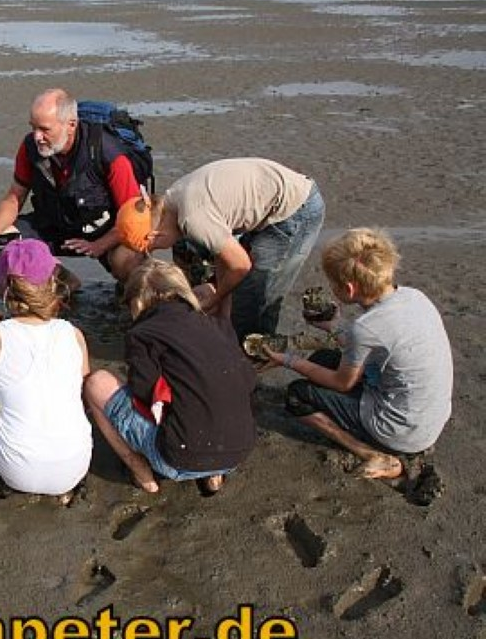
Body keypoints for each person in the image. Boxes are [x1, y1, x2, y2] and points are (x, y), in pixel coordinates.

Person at [263, 228, 453, 479]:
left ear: (349, 289)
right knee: (323, 360)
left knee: (297, 395)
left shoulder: (365, 327)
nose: (332, 288)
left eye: (333, 284)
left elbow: (342, 383)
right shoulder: (414, 297)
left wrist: (286, 360)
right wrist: (333, 326)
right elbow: (375, 345)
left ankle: (372, 455)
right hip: (428, 419)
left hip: (397, 430)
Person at [83, 259, 256, 496]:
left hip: (179, 457)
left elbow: (143, 394)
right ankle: (214, 476)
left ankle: (140, 470)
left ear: (138, 302)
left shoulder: (142, 334)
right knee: (210, 395)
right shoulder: (217, 325)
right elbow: (248, 381)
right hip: (239, 450)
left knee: (96, 383)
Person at [114, 157, 325, 340]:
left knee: (258, 292)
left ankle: (257, 351)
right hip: (268, 202)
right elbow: (223, 255)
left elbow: (240, 266)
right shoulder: (171, 199)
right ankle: (228, 327)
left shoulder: (193, 218)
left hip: (296, 210)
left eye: (152, 247)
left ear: (154, 235)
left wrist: (215, 298)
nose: (156, 250)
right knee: (194, 252)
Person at [0, 239, 92, 501]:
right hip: (75, 464)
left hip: (16, 471)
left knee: (1, 405)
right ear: (51, 283)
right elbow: (83, 385)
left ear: (2, 288)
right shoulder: (73, 334)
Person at [0, 88, 146, 286]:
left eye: (45, 129)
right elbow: (14, 196)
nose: (37, 137)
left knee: (127, 259)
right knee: (5, 245)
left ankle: (130, 294)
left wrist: (98, 246)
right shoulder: (30, 147)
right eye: (33, 127)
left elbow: (134, 218)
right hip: (55, 224)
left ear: (71, 125)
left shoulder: (109, 154)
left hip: (105, 229)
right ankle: (63, 283)